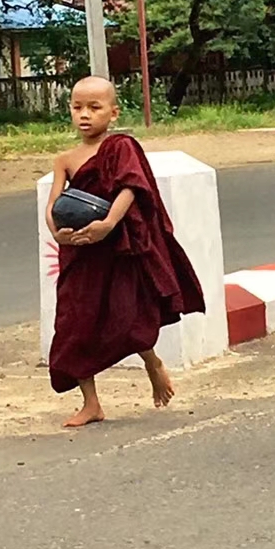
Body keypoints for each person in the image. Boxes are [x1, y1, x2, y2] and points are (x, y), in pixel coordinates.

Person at [45, 77, 205, 428]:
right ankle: (91, 403)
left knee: (126, 318)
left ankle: (152, 362)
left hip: (116, 247)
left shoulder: (121, 147)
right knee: (74, 324)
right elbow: (53, 202)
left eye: (94, 107)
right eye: (77, 107)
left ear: (113, 113)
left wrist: (108, 224)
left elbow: (132, 187)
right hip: (81, 250)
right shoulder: (65, 159)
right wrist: (60, 234)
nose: (84, 115)